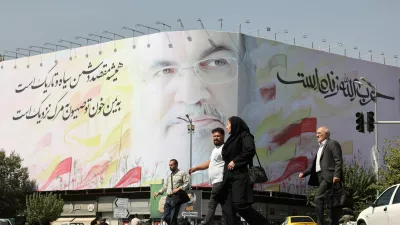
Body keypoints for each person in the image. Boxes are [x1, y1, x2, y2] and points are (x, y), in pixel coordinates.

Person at [131, 31, 263, 185]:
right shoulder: (219, 151)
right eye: (165, 71)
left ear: (252, 74)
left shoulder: (242, 141)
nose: (190, 96)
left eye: (217, 62)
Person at [214, 116, 268, 225]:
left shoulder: (245, 136)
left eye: (228, 124)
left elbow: (250, 150)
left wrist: (235, 161)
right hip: (228, 178)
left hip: (240, 176)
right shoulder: (231, 139)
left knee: (239, 205)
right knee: (227, 208)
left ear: (235, 125)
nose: (227, 126)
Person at [299, 126, 343, 225]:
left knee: (318, 198)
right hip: (320, 177)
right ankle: (333, 222)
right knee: (329, 202)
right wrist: (304, 173)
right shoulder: (320, 147)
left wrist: (337, 175)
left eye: (319, 133)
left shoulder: (332, 144)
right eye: (316, 133)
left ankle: (320, 223)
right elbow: (315, 165)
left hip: (329, 177)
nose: (317, 135)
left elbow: (338, 160)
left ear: (326, 134)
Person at [188, 127, 228, 225]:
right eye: (214, 136)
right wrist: (196, 168)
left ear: (223, 136)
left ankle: (206, 223)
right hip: (216, 182)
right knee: (225, 206)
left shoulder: (225, 148)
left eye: (218, 136)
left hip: (220, 181)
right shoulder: (215, 150)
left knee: (212, 204)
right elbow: (209, 163)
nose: (216, 138)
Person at [154, 159, 190, 225]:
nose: (170, 166)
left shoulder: (182, 173)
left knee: (173, 217)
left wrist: (178, 189)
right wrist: (158, 193)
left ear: (176, 165)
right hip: (168, 198)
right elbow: (165, 186)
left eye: (171, 165)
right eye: (169, 165)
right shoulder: (169, 175)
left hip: (176, 197)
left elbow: (187, 184)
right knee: (165, 217)